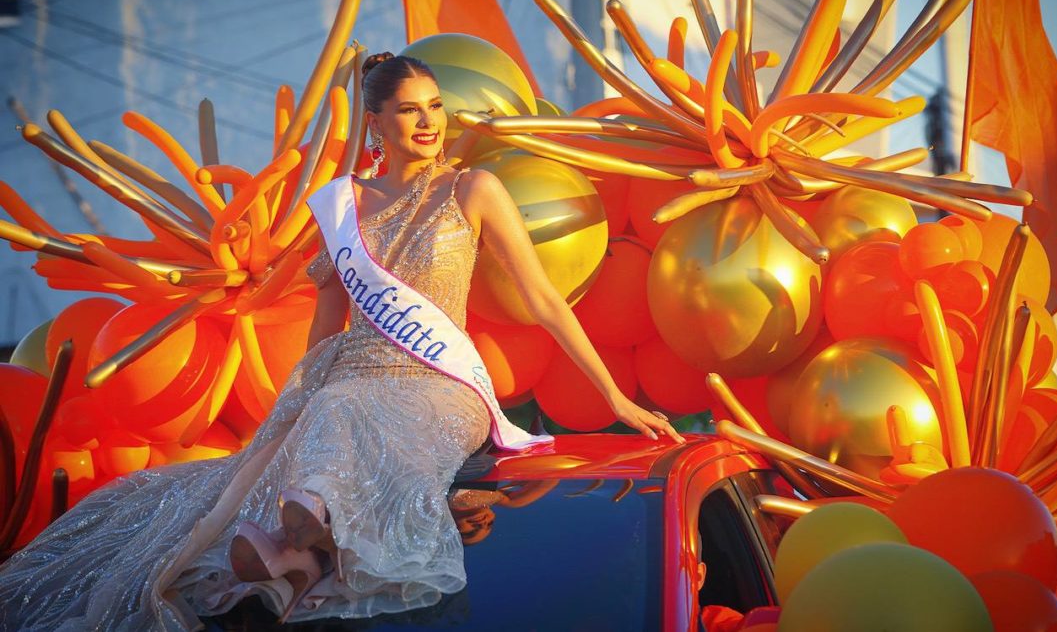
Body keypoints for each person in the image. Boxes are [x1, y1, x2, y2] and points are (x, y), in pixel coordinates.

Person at [0, 52, 684, 630]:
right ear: (376, 122)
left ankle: (294, 543)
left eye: (436, 106)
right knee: (275, 446)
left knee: (341, 411)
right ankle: (298, 553)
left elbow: (543, 301)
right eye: (410, 109)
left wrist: (616, 398)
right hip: (351, 378)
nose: (428, 121)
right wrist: (286, 413)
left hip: (439, 389)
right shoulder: (342, 206)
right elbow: (327, 330)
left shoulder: (473, 189)